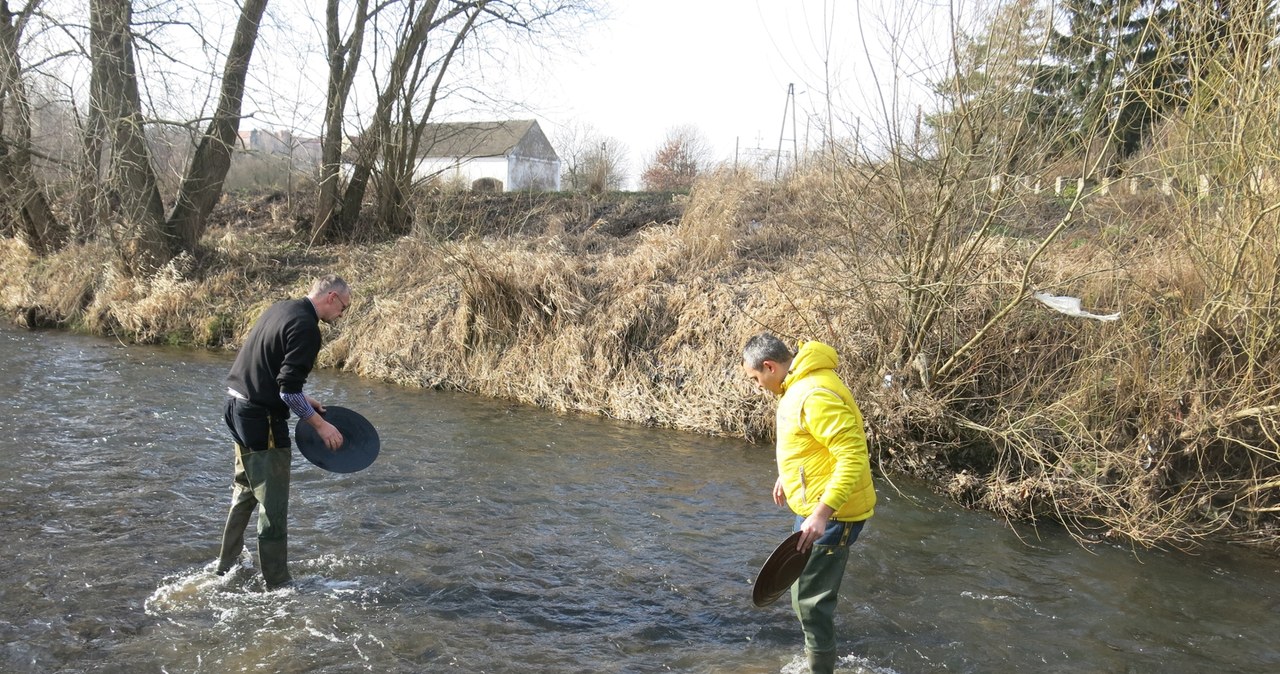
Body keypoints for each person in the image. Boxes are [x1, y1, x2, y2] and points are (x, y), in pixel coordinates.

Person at [742, 333, 876, 674]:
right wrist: (788, 475)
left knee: (812, 604)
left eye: (756, 378)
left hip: (834, 514)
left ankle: (821, 669)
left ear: (770, 366)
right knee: (801, 595)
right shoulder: (796, 385)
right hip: (815, 509)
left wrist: (821, 513)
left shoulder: (813, 393)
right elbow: (809, 442)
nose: (757, 386)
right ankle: (818, 659)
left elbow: (853, 457)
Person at [216, 274, 352, 587]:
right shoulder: (307, 327)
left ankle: (227, 566)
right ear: (331, 297)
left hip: (235, 407)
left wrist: (305, 399)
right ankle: (278, 584)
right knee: (272, 503)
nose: (342, 315)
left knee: (246, 491)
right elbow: (287, 392)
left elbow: (269, 370)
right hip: (261, 420)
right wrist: (321, 426)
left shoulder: (282, 308)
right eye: (343, 307)